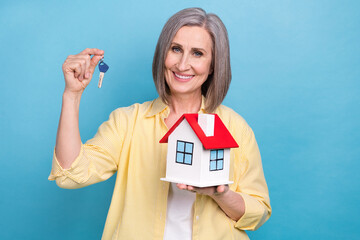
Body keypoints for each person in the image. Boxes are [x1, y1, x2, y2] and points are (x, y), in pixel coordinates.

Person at [49, 7, 271, 240]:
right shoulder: (128, 122)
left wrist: (220, 194)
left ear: (213, 65)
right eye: (176, 49)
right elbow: (70, 174)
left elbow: (259, 212)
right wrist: (71, 95)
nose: (183, 64)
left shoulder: (235, 128)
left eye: (197, 53)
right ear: (163, 53)